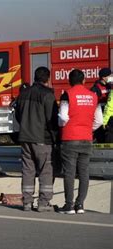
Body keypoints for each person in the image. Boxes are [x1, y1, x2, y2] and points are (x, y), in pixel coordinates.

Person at [57, 69, 103, 214]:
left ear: (69, 81)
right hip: (86, 138)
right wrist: (89, 129)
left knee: (70, 173)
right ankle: (80, 205)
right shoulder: (93, 96)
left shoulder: (67, 95)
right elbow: (100, 121)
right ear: (84, 81)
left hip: (70, 138)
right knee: (84, 173)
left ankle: (69, 205)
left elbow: (63, 117)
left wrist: (63, 126)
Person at [15, 67, 58, 212]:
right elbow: (52, 119)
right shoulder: (48, 95)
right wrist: (55, 137)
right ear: (47, 79)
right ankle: (43, 202)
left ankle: (27, 202)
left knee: (28, 169)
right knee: (46, 169)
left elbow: (18, 116)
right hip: (42, 138)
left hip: (25, 137)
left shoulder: (23, 93)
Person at [90, 68, 111, 142]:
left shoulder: (110, 86)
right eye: (109, 75)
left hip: (109, 115)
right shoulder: (95, 88)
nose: (111, 77)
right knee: (100, 136)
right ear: (103, 77)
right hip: (100, 115)